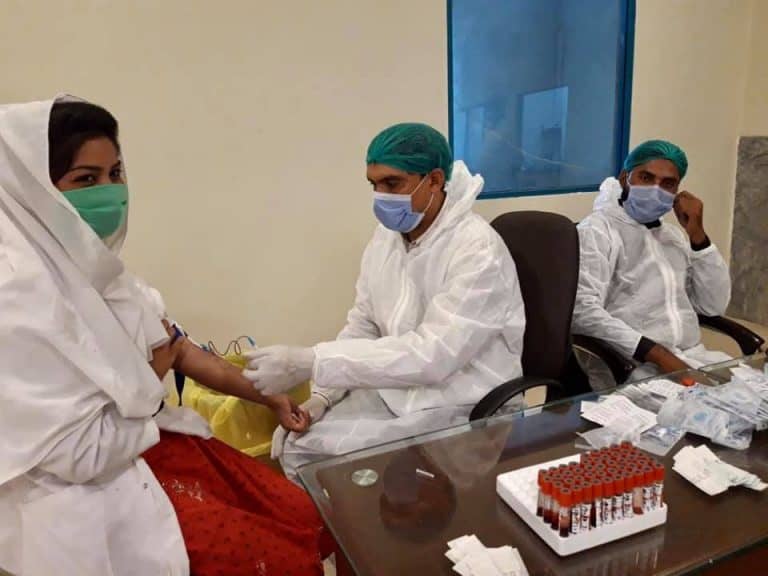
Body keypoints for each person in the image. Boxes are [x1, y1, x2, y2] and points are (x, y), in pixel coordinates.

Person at [0, 97, 334, 576]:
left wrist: (269, 398)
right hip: (84, 493)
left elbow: (181, 350)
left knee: (300, 510)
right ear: (33, 190)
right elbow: (81, 455)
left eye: (116, 173)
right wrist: (151, 374)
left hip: (151, 448)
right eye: (86, 180)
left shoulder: (105, 277)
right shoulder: (17, 305)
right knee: (265, 556)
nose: (110, 192)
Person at [243, 123, 526, 479]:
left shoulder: (477, 250)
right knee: (302, 446)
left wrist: (312, 361)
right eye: (374, 184)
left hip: (462, 401)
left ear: (434, 180)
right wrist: (323, 397)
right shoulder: (388, 238)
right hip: (400, 391)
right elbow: (364, 323)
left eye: (392, 184)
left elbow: (432, 356)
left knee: (336, 467)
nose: (381, 196)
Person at [572, 139, 731, 384]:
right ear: (625, 178)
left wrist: (697, 235)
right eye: (646, 178)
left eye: (668, 184)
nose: (656, 189)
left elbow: (713, 306)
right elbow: (582, 310)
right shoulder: (598, 231)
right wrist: (657, 354)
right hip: (631, 367)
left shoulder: (673, 237)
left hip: (692, 358)